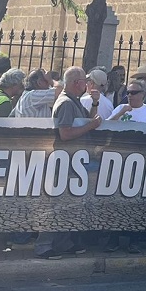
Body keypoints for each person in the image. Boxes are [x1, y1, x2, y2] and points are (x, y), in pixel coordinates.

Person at [35, 67, 102, 259]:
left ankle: (63, 242)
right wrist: (91, 125)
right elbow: (65, 133)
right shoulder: (65, 103)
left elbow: (86, 120)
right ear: (76, 83)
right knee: (55, 205)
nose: (87, 83)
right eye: (84, 80)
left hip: (73, 162)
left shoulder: (75, 102)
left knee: (68, 205)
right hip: (63, 162)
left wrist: (95, 105)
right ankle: (44, 245)